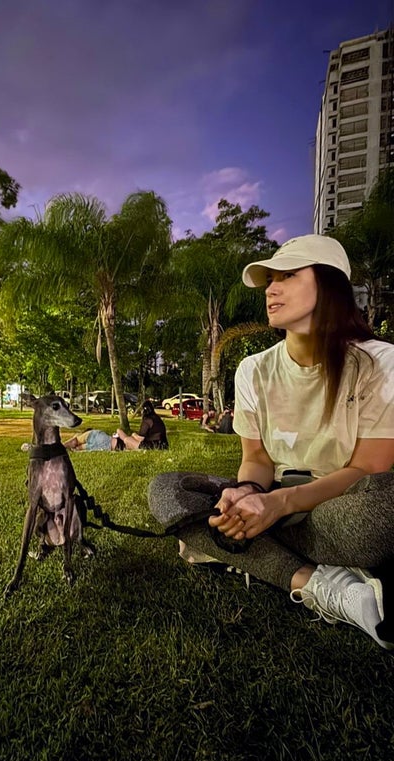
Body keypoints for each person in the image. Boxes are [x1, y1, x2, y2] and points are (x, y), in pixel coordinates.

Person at [148, 234, 394, 650]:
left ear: (329, 285)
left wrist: (279, 504)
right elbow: (258, 458)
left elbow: (369, 467)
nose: (271, 289)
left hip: (336, 508)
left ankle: (238, 550)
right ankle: (317, 583)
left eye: (288, 276)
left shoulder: (378, 362)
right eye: (269, 280)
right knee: (167, 491)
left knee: (384, 506)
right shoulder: (253, 370)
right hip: (275, 505)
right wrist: (247, 493)